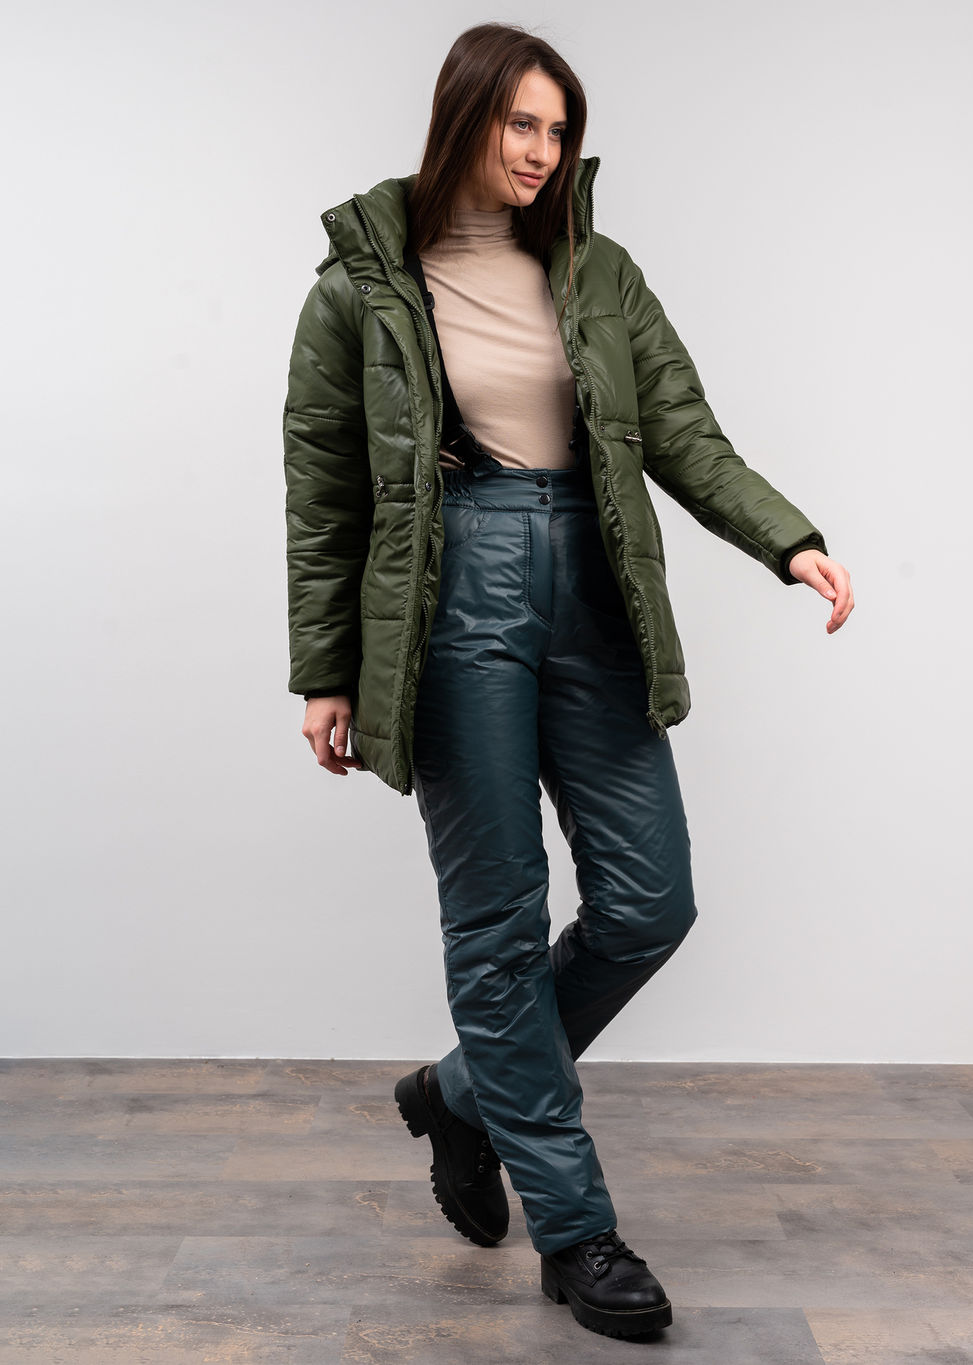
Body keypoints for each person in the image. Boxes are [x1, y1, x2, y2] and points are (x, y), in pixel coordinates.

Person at [283, 21, 854, 1341]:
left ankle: (460, 1094)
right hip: (451, 592)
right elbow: (323, 487)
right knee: (498, 922)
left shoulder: (599, 272)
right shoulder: (361, 284)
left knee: (651, 900)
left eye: (558, 129)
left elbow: (685, 433)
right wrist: (324, 669)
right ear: (465, 116)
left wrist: (788, 538)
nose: (542, 150)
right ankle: (577, 1230)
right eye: (520, 123)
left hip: (594, 587)